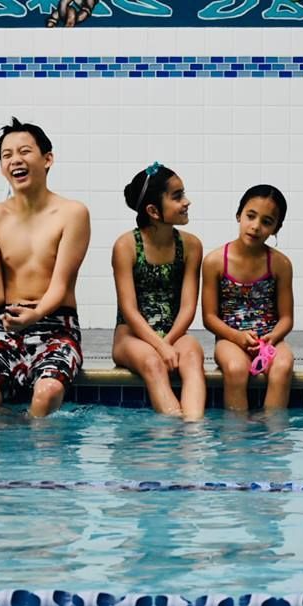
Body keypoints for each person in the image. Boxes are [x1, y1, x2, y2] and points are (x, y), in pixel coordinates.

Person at [0, 118, 91, 417]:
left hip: (56, 324)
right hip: (7, 323)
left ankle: (36, 457)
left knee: (48, 391)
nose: (15, 160)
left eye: (24, 151)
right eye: (7, 155)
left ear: (47, 159)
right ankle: (13, 450)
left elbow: (60, 286)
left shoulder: (72, 213)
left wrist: (36, 314)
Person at [112, 162, 205, 420]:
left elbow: (188, 307)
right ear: (153, 210)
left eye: (183, 193)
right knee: (153, 364)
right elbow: (129, 310)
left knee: (193, 357)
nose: (186, 202)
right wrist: (159, 347)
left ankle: (193, 433)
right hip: (131, 336)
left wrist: (168, 342)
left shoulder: (191, 246)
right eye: (177, 197)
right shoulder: (126, 246)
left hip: (174, 333)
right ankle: (170, 435)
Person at [202, 185, 295, 411]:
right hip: (230, 338)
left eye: (266, 221)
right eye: (250, 216)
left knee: (283, 366)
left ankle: (272, 437)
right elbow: (209, 317)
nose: (255, 227)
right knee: (235, 368)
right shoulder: (215, 262)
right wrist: (237, 337)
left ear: (276, 228)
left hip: (269, 339)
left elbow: (286, 318)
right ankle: (237, 439)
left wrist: (273, 337)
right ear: (238, 215)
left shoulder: (280, 265)